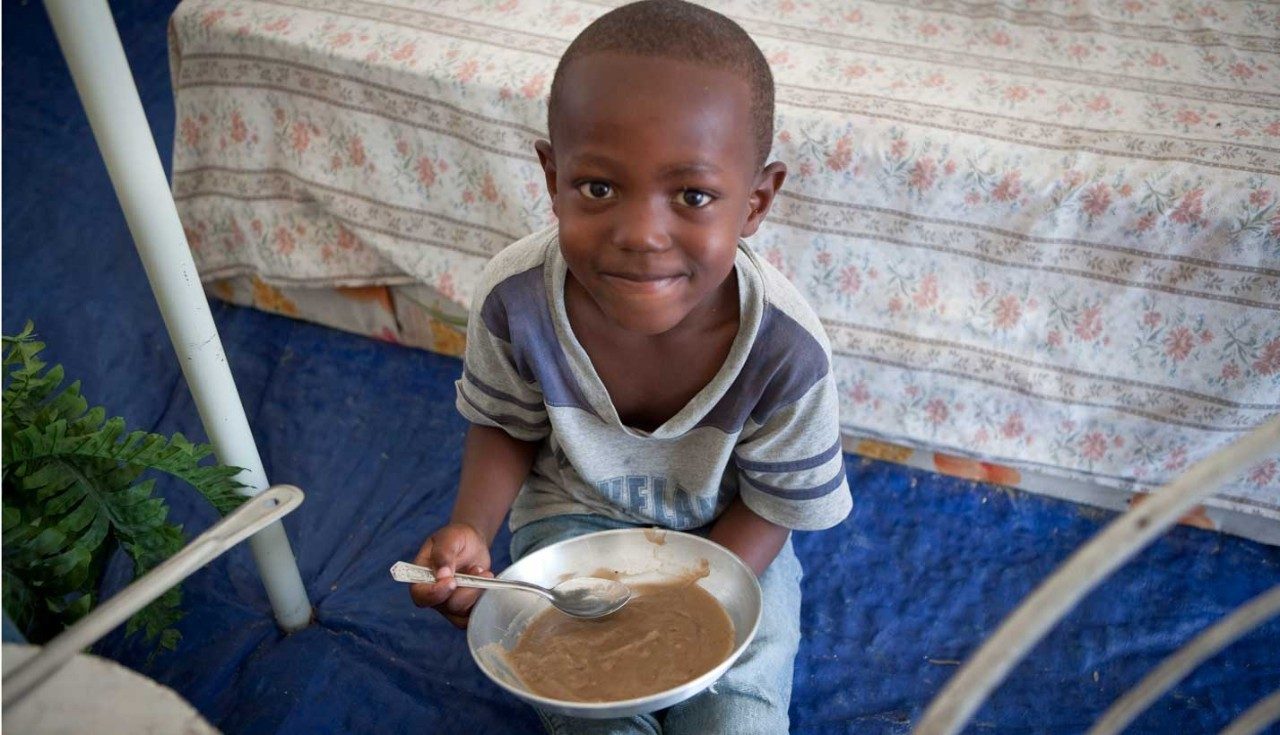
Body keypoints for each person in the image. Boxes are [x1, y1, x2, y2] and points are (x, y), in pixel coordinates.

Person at [410, 1, 851, 732]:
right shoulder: (514, 301)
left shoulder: (787, 351)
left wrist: (680, 600)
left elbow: (775, 505)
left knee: (736, 719)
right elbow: (506, 424)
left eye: (694, 195)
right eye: (599, 188)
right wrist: (471, 530)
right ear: (553, 177)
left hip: (731, 541)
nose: (642, 235)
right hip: (573, 526)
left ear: (756, 201)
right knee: (589, 710)